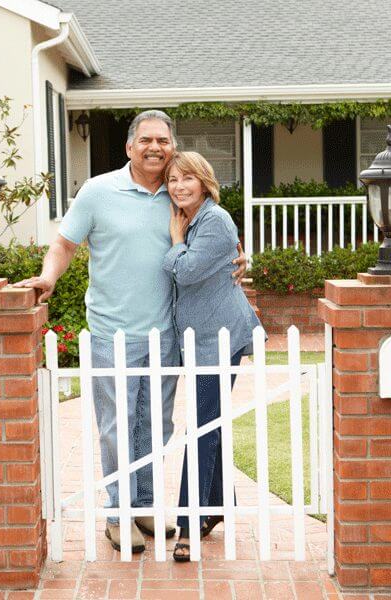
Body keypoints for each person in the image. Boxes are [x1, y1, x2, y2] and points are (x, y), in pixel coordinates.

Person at [14, 111, 246, 554]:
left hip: (166, 333)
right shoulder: (98, 191)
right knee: (117, 426)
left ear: (172, 147)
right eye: (146, 140)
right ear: (129, 147)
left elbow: (217, 242)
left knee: (154, 427)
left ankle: (142, 506)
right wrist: (48, 277)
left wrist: (241, 260)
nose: (155, 147)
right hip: (110, 333)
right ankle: (118, 515)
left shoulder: (180, 195)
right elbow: (63, 244)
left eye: (163, 140)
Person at [161, 151, 263, 562]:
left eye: (187, 178)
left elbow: (185, 272)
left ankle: (188, 525)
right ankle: (218, 503)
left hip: (221, 339)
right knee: (210, 421)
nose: (179, 186)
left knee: (201, 427)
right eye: (172, 180)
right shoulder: (193, 218)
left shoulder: (214, 221)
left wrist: (175, 242)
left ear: (204, 181)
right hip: (200, 339)